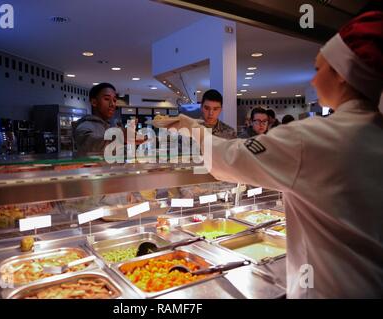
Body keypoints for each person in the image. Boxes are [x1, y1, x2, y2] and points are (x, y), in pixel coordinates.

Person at [162, 11, 383, 298]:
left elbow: (227, 159)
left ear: (341, 75)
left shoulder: (311, 137)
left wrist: (190, 127)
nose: (314, 82)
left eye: (319, 70)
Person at [73, 83, 117, 155]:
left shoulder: (109, 126)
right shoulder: (84, 126)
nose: (112, 104)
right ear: (94, 102)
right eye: (107, 99)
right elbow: (90, 146)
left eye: (114, 100)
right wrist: (119, 136)